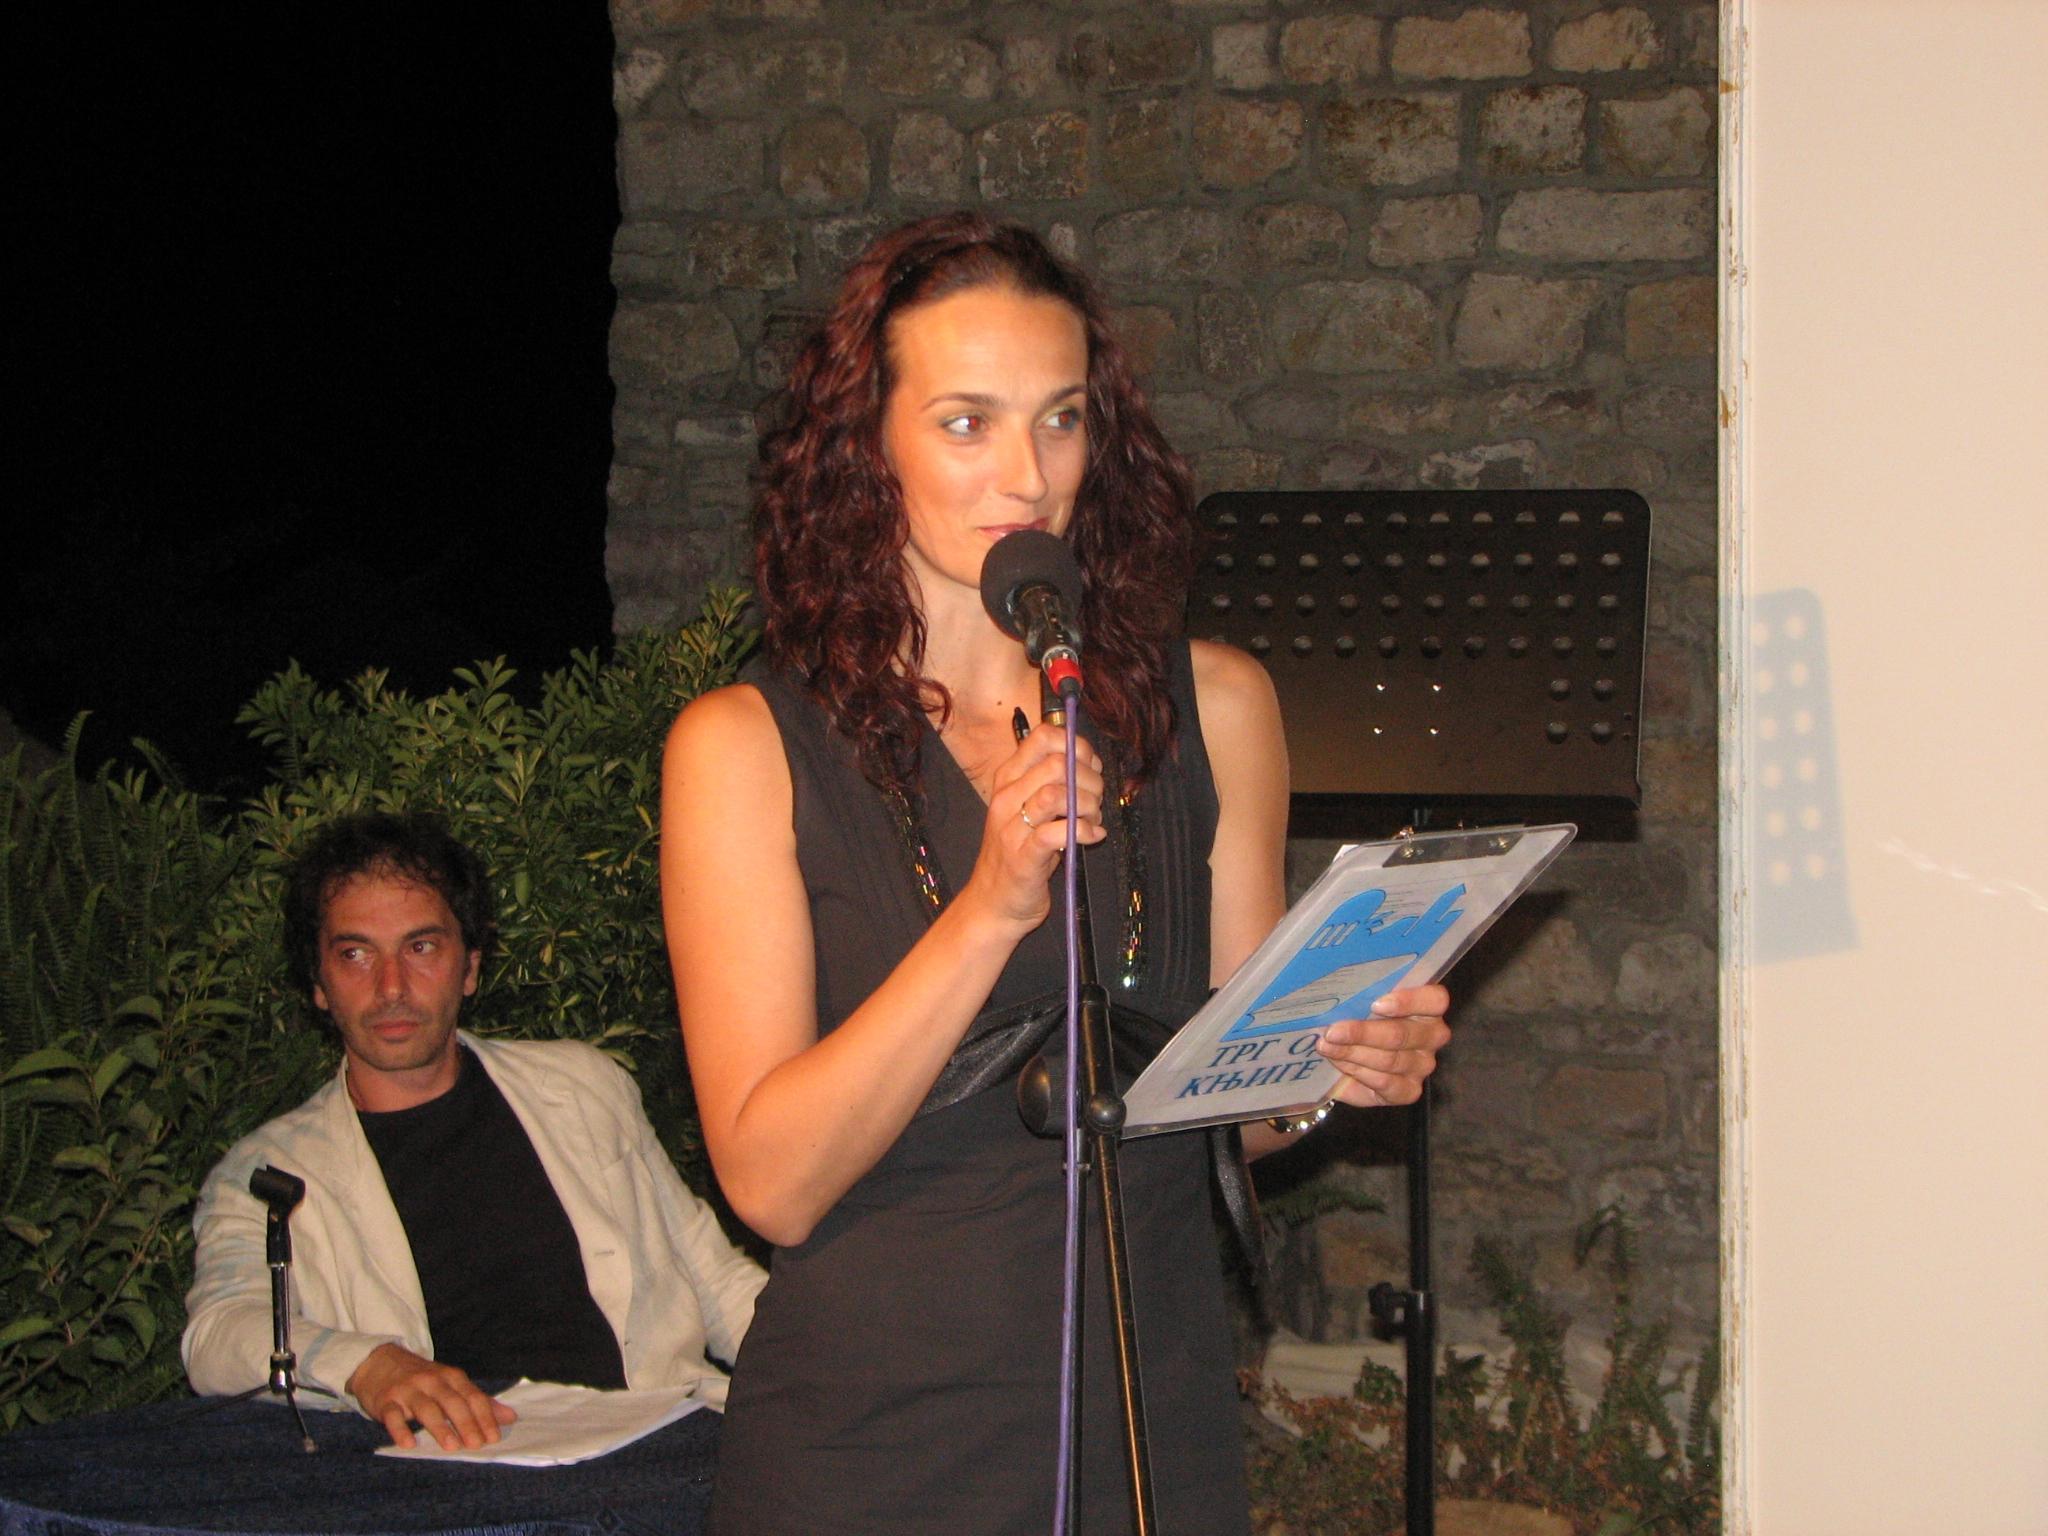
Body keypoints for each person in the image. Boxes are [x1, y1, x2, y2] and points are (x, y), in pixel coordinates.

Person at [660, 211, 1451, 1534]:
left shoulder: (1218, 708)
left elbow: (1230, 1111)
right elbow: (771, 1181)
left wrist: (1333, 1067)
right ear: (866, 445)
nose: (1027, 473)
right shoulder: (744, 748)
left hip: (1151, 1423)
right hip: (872, 1449)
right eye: (966, 422)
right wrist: (989, 908)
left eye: (1061, 419)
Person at [182, 812, 765, 1451]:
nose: (391, 987)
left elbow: (716, 1281)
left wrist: (839, 1366)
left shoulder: (581, 1088)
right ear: (318, 984)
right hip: (464, 1473)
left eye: (421, 947)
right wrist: (368, 1365)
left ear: (470, 967)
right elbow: (217, 1337)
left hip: (666, 1436)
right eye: (355, 954)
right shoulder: (272, 1173)